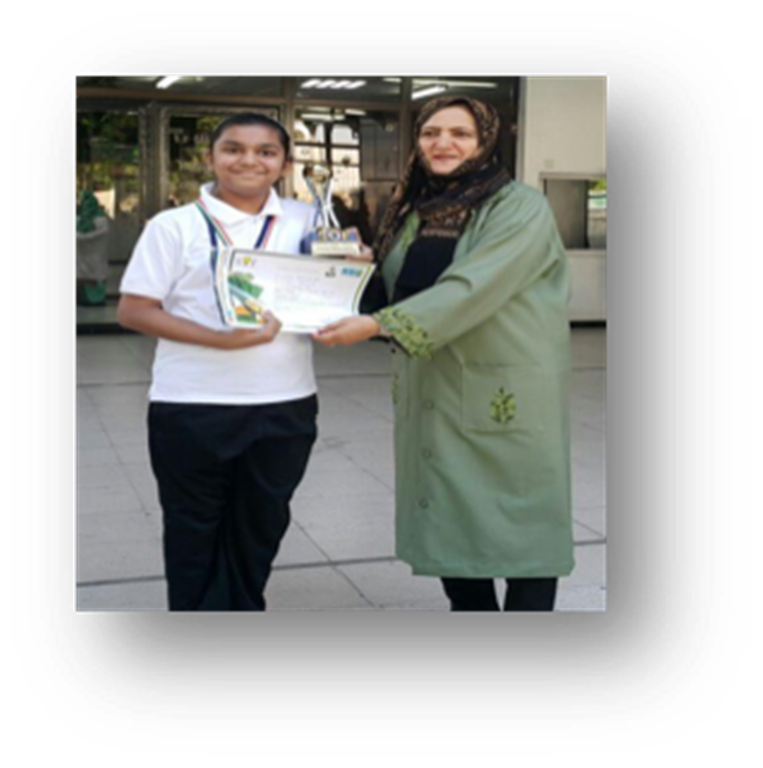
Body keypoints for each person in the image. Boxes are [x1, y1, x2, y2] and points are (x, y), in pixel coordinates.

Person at [314, 96, 574, 612]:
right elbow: (400, 285)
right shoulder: (415, 208)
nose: (443, 143)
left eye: (460, 134)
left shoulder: (518, 206)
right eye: (431, 132)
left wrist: (379, 324)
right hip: (432, 380)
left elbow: (474, 285)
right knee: (448, 509)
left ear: (485, 142)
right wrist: (360, 268)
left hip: (505, 387)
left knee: (524, 517)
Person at [118, 113, 319, 611]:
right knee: (193, 528)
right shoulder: (173, 226)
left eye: (266, 151)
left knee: (261, 525)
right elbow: (135, 310)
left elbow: (328, 293)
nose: (249, 160)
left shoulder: (308, 220)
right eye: (233, 149)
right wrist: (219, 341)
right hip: (192, 403)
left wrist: (351, 269)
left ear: (284, 164)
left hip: (285, 403)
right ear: (210, 159)